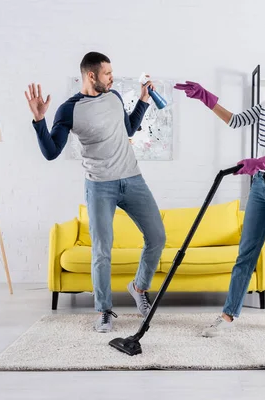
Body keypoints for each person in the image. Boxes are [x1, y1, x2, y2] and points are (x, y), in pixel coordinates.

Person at [174, 54, 265, 337]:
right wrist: (206, 98)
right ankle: (228, 316)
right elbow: (236, 120)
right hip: (260, 186)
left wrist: (263, 161)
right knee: (246, 253)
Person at [25, 51, 166, 333]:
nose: (112, 78)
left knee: (157, 237)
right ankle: (103, 310)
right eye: (108, 74)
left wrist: (143, 100)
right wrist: (40, 121)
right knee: (102, 250)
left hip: (133, 179)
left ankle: (139, 287)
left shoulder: (113, 97)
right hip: (100, 185)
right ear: (91, 76)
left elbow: (129, 127)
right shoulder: (69, 109)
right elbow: (52, 152)